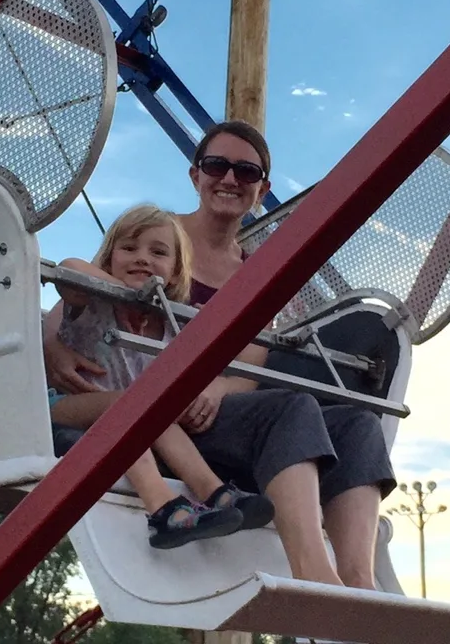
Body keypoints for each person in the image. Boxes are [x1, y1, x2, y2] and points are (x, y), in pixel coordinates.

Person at [44, 122, 396, 588]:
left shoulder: (257, 272)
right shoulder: (155, 241)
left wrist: (216, 387)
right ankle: (313, 573)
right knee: (289, 409)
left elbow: (253, 358)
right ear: (196, 175)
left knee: (359, 425)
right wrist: (51, 350)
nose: (229, 179)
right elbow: (78, 296)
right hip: (151, 407)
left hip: (203, 406)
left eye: (246, 172)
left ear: (261, 189)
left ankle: (358, 582)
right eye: (217, 165)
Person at [47, 204, 274, 550]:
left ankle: (215, 493)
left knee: (157, 413)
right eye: (128, 248)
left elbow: (231, 342)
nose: (142, 258)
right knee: (133, 405)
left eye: (158, 252)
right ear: (109, 260)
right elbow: (69, 268)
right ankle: (162, 509)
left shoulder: (170, 326)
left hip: (131, 418)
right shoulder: (91, 302)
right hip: (63, 409)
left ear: (175, 271)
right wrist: (130, 297)